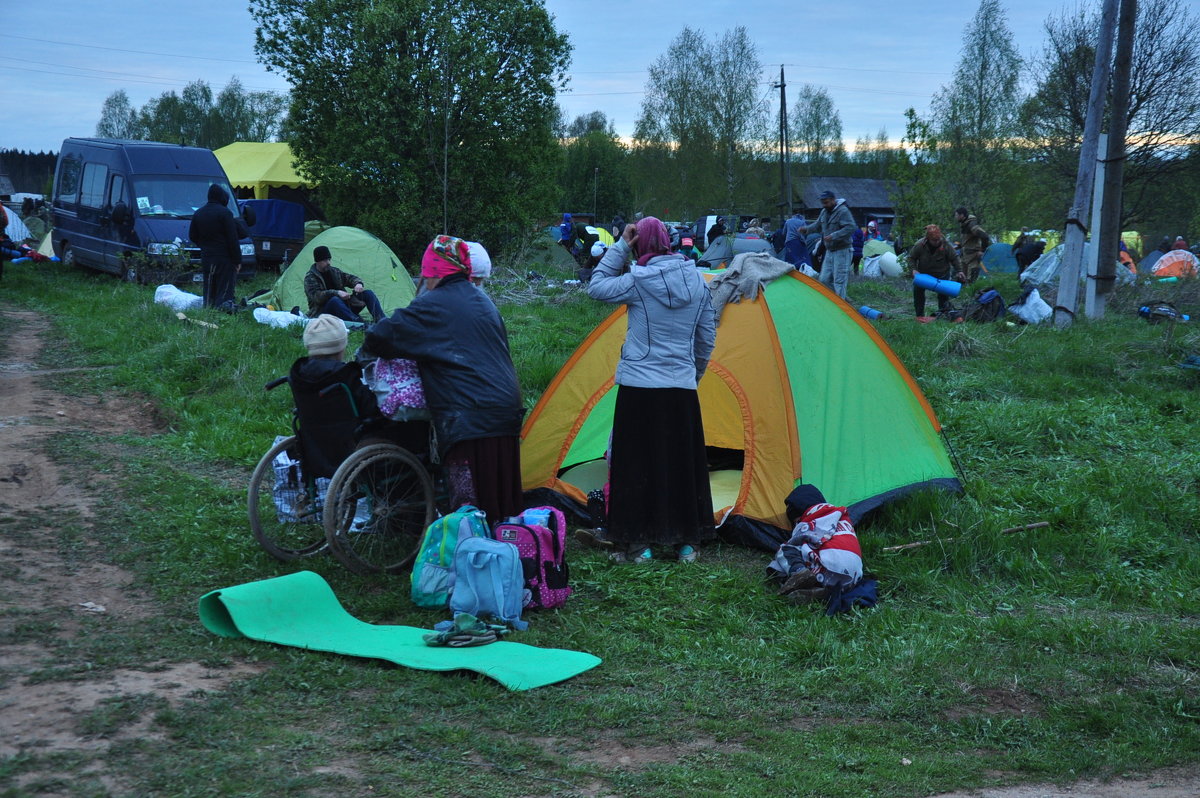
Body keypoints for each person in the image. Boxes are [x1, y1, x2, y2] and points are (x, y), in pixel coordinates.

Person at [364, 235, 524, 524]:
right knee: (501, 500)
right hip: (506, 408)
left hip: (470, 416)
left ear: (434, 273)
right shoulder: (483, 301)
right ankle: (509, 554)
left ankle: (472, 556)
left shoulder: (433, 304)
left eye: (426, 274)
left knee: (471, 507)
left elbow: (380, 336)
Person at [583, 217, 716, 564]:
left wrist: (621, 246)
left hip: (640, 387)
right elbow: (706, 338)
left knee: (636, 465)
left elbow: (596, 286)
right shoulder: (699, 282)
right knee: (680, 465)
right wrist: (693, 375)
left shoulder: (638, 281)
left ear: (639, 244)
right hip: (681, 388)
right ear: (669, 243)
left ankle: (638, 547)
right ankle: (687, 545)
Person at [188, 184, 240, 312]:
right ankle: (223, 311)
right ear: (222, 197)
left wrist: (205, 246)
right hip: (224, 257)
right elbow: (232, 239)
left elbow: (192, 236)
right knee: (224, 288)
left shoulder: (198, 213)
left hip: (206, 257)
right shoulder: (225, 213)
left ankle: (208, 310)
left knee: (209, 285)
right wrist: (237, 260)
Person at [303, 245, 385, 324]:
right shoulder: (310, 277)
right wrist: (336, 293)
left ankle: (383, 321)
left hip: (344, 307)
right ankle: (360, 324)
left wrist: (358, 284)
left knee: (368, 293)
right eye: (325, 260)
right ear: (317, 261)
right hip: (323, 313)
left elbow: (350, 278)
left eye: (329, 259)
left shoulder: (334, 272)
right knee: (335, 300)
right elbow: (317, 297)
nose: (328, 263)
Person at [909, 224, 964, 319]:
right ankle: (919, 316)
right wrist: (913, 269)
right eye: (934, 240)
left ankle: (942, 315)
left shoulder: (946, 245)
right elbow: (911, 258)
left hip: (942, 274)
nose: (937, 242)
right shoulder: (920, 245)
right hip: (924, 275)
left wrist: (959, 271)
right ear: (928, 238)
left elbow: (954, 258)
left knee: (943, 297)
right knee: (918, 293)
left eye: (938, 239)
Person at [815, 190, 855, 299]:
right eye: (822, 202)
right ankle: (842, 300)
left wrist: (834, 236)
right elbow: (817, 225)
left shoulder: (843, 211)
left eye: (826, 202)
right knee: (823, 280)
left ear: (833, 200)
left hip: (842, 250)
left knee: (839, 281)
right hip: (829, 251)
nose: (824, 205)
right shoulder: (824, 212)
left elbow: (851, 227)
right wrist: (806, 229)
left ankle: (842, 309)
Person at [954, 207, 989, 283]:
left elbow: (985, 236)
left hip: (973, 256)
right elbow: (968, 240)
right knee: (961, 278)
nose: (955, 217)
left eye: (956, 215)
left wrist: (982, 250)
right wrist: (960, 246)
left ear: (962, 215)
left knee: (971, 280)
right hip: (965, 256)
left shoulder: (972, 225)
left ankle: (972, 294)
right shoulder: (964, 224)